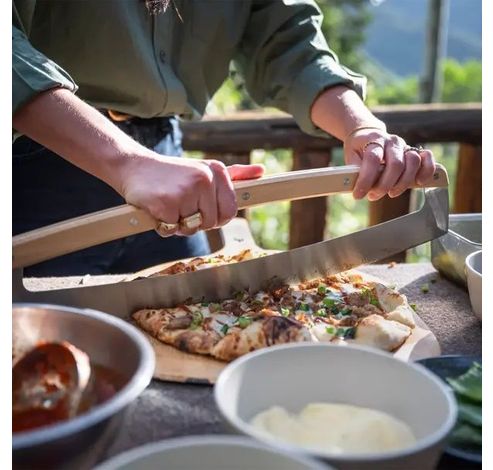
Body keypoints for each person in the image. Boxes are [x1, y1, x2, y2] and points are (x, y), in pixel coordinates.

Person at [12, 0, 435, 277]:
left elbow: (286, 41)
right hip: (34, 169)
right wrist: (127, 163)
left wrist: (362, 127)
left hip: (166, 166)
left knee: (199, 328)